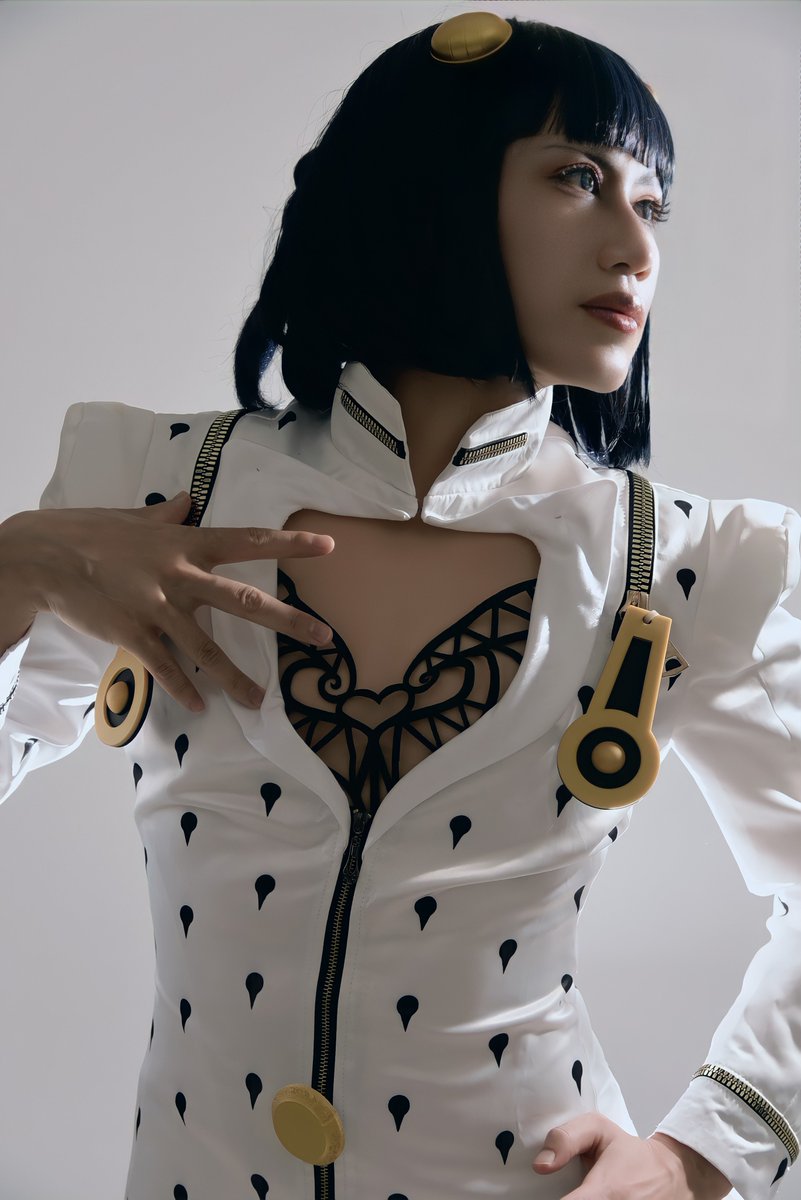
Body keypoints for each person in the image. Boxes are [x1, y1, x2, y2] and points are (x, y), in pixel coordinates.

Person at [0, 12, 798, 1200]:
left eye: (653, 204)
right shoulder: (149, 486)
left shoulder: (695, 561)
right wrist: (14, 571)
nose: (637, 246)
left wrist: (705, 1152)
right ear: (429, 177)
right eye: (578, 178)